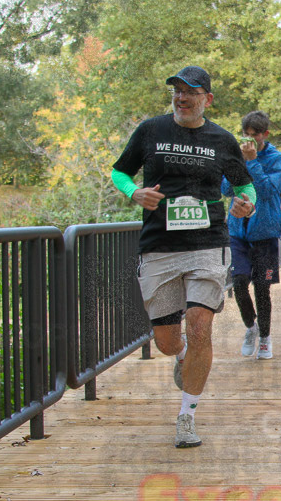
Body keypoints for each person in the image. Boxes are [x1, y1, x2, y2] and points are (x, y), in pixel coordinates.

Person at [110, 65, 256, 448]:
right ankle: (180, 357)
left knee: (199, 324)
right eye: (177, 90)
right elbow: (120, 172)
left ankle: (186, 416)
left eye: (191, 91)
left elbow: (244, 186)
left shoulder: (221, 140)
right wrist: (133, 193)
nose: (181, 97)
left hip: (208, 242)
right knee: (166, 340)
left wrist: (247, 205)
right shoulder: (150, 131)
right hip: (159, 244)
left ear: (206, 98)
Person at [221, 111, 281, 360]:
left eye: (254, 135)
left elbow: (270, 192)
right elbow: (226, 188)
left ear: (265, 135)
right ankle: (251, 327)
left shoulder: (277, 159)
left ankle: (266, 338)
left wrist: (253, 162)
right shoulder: (237, 155)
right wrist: (238, 162)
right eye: (245, 134)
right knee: (239, 283)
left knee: (261, 288)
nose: (249, 139)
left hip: (265, 232)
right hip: (238, 230)